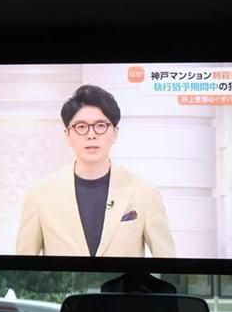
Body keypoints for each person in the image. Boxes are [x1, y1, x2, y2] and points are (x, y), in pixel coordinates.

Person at [16, 84, 176, 257]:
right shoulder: (40, 194)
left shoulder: (144, 192)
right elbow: (23, 265)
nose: (91, 135)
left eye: (100, 125)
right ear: (67, 135)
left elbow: (167, 260)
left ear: (115, 133)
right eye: (81, 127)